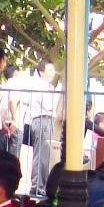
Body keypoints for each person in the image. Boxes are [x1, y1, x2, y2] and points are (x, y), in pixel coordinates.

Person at [24, 62, 59, 197]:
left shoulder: (47, 86)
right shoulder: (41, 86)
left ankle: (41, 185)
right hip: (42, 119)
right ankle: (38, 187)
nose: (52, 73)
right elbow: (49, 105)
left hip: (46, 120)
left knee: (45, 155)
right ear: (41, 72)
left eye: (53, 70)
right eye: (49, 70)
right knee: (41, 155)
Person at [0, 63, 25, 158]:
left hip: (3, 125)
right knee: (13, 160)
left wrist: (2, 123)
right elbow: (12, 101)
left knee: (2, 159)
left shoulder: (3, 87)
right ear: (16, 73)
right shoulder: (16, 84)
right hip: (14, 126)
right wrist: (15, 120)